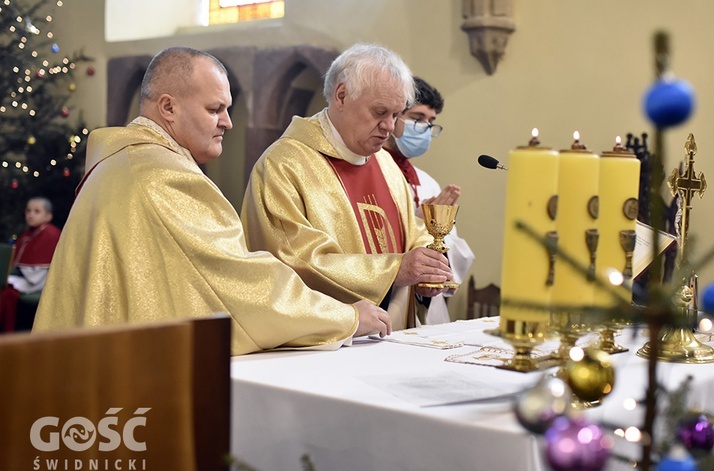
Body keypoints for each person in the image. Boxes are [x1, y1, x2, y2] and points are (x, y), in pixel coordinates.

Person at [32, 46, 391, 354]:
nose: (228, 123)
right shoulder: (163, 175)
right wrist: (346, 317)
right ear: (168, 108)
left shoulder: (119, 162)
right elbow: (241, 282)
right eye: (214, 109)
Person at [242, 43, 454, 330]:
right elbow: (291, 261)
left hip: (394, 342)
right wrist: (394, 270)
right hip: (325, 345)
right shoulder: (285, 165)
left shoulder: (388, 168)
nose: (390, 127)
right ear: (341, 95)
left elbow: (412, 235)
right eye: (380, 112)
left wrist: (423, 272)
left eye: (395, 114)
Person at [383, 77, 475, 324]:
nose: (424, 127)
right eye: (417, 118)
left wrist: (438, 232)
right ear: (393, 117)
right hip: (387, 305)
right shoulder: (370, 173)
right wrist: (418, 222)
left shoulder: (427, 183)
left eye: (430, 121)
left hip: (428, 307)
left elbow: (457, 252)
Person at [0, 197, 61, 332]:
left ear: (48, 216)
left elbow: (41, 269)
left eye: (36, 211)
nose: (31, 214)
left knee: (7, 292)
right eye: (28, 211)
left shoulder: (50, 234)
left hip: (39, 280)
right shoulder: (28, 233)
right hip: (27, 277)